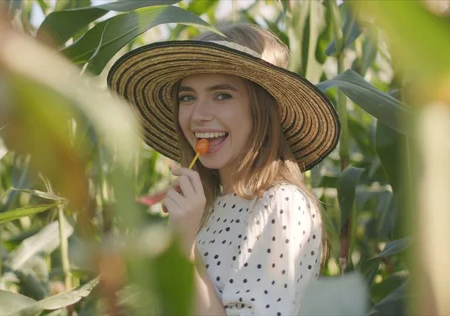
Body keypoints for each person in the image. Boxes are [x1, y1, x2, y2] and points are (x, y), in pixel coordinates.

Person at [106, 23, 340, 316]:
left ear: (263, 109)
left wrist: (182, 249)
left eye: (222, 96)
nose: (199, 116)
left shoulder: (280, 204)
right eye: (187, 97)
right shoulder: (207, 210)